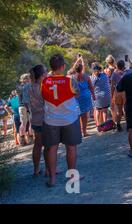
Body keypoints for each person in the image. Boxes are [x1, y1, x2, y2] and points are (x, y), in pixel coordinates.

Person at [41, 54, 81, 187]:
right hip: (69, 119)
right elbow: (77, 94)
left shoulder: (44, 82)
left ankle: (52, 179)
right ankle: (72, 176)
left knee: (52, 148)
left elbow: (43, 97)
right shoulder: (70, 81)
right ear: (63, 67)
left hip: (51, 120)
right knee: (71, 148)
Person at [28, 64, 48, 177]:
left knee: (37, 145)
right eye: (45, 72)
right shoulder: (43, 87)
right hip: (44, 119)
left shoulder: (29, 87)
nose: (47, 73)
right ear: (41, 75)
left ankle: (36, 170)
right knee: (48, 145)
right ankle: (48, 169)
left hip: (34, 119)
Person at [72, 57, 95, 136]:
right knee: (85, 116)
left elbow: (73, 69)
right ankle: (84, 132)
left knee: (77, 116)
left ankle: (78, 132)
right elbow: (91, 87)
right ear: (82, 69)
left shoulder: (73, 77)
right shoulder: (86, 76)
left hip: (77, 98)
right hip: (86, 97)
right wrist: (93, 95)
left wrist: (77, 60)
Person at [110, 60, 127, 132]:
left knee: (118, 110)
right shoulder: (126, 72)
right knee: (125, 108)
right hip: (125, 91)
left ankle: (118, 124)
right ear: (123, 66)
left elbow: (112, 85)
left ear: (117, 66)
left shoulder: (114, 73)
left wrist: (111, 95)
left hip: (117, 92)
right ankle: (128, 124)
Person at [17, 73, 32, 144]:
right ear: (26, 79)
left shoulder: (19, 87)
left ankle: (22, 139)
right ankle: (31, 138)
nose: (30, 79)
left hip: (21, 106)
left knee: (23, 123)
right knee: (30, 122)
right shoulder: (28, 86)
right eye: (29, 78)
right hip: (27, 105)